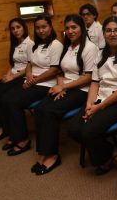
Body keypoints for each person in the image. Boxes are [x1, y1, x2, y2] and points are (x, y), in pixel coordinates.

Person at [68, 16, 117, 175]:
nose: (112, 34)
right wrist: (89, 104)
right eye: (108, 30)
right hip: (101, 98)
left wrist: (99, 107)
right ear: (104, 34)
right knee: (74, 128)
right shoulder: (100, 54)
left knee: (88, 131)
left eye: (116, 30)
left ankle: (105, 159)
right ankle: (110, 152)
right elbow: (94, 82)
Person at [31, 14, 98, 175]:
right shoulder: (68, 46)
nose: (70, 31)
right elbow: (60, 71)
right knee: (40, 109)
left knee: (49, 111)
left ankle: (52, 155)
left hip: (82, 90)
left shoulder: (90, 48)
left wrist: (64, 87)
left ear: (82, 28)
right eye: (67, 28)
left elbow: (88, 77)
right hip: (65, 87)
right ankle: (43, 153)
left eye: (74, 27)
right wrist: (61, 86)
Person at [2, 15, 63, 156]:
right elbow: (29, 64)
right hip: (32, 82)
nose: (41, 30)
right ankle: (15, 136)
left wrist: (34, 81)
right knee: (5, 98)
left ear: (50, 27)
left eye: (44, 27)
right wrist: (29, 76)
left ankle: (22, 140)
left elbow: (54, 70)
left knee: (13, 102)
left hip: (46, 84)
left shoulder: (56, 45)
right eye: (38, 28)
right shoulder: (36, 45)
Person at [0, 18, 33, 142]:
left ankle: (3, 128)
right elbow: (13, 64)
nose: (15, 31)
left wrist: (12, 77)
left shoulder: (30, 44)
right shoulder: (15, 44)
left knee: (0, 96)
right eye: (13, 28)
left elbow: (29, 66)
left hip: (21, 77)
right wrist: (7, 74)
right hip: (12, 75)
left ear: (24, 28)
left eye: (18, 27)